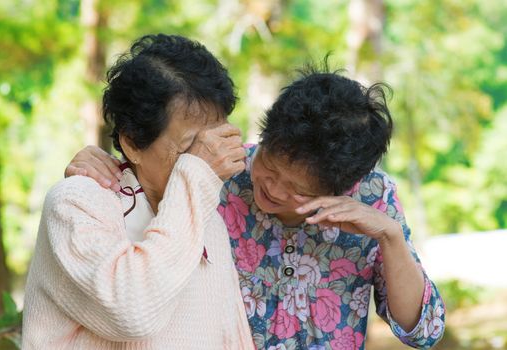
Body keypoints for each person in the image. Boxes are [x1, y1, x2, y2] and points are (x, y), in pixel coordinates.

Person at [66, 61, 446, 348]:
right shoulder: (221, 172)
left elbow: (423, 332)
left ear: (346, 187)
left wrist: (391, 237)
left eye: (296, 188)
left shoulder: (375, 198)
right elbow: (148, 172)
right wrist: (99, 163)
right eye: (268, 164)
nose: (272, 189)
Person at [22, 34, 255, 349]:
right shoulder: (76, 202)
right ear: (132, 142)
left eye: (215, 140)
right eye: (192, 147)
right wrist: (196, 176)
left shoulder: (206, 216)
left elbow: (230, 335)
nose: (209, 158)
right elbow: (133, 313)